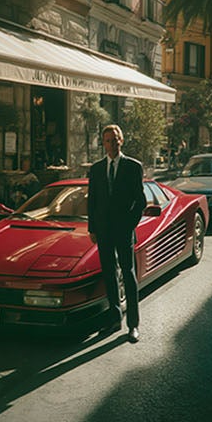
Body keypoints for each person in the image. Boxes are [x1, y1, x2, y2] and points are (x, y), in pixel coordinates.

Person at [86, 123, 146, 341]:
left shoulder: (133, 166)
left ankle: (133, 325)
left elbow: (140, 201)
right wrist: (92, 228)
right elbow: (92, 201)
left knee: (128, 275)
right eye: (108, 140)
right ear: (103, 143)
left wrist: (129, 226)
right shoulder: (97, 168)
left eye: (115, 140)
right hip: (103, 231)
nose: (111, 144)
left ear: (121, 141)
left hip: (123, 230)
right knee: (109, 275)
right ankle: (113, 320)